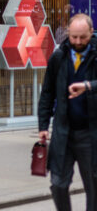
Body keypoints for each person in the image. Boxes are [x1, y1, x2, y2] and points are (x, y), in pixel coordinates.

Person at [38, 13, 97, 211]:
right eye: (73, 37)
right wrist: (43, 126)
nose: (78, 41)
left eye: (83, 37)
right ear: (68, 34)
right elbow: (47, 93)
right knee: (58, 184)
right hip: (63, 132)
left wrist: (88, 85)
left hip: (91, 134)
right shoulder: (58, 57)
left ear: (91, 32)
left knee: (94, 185)